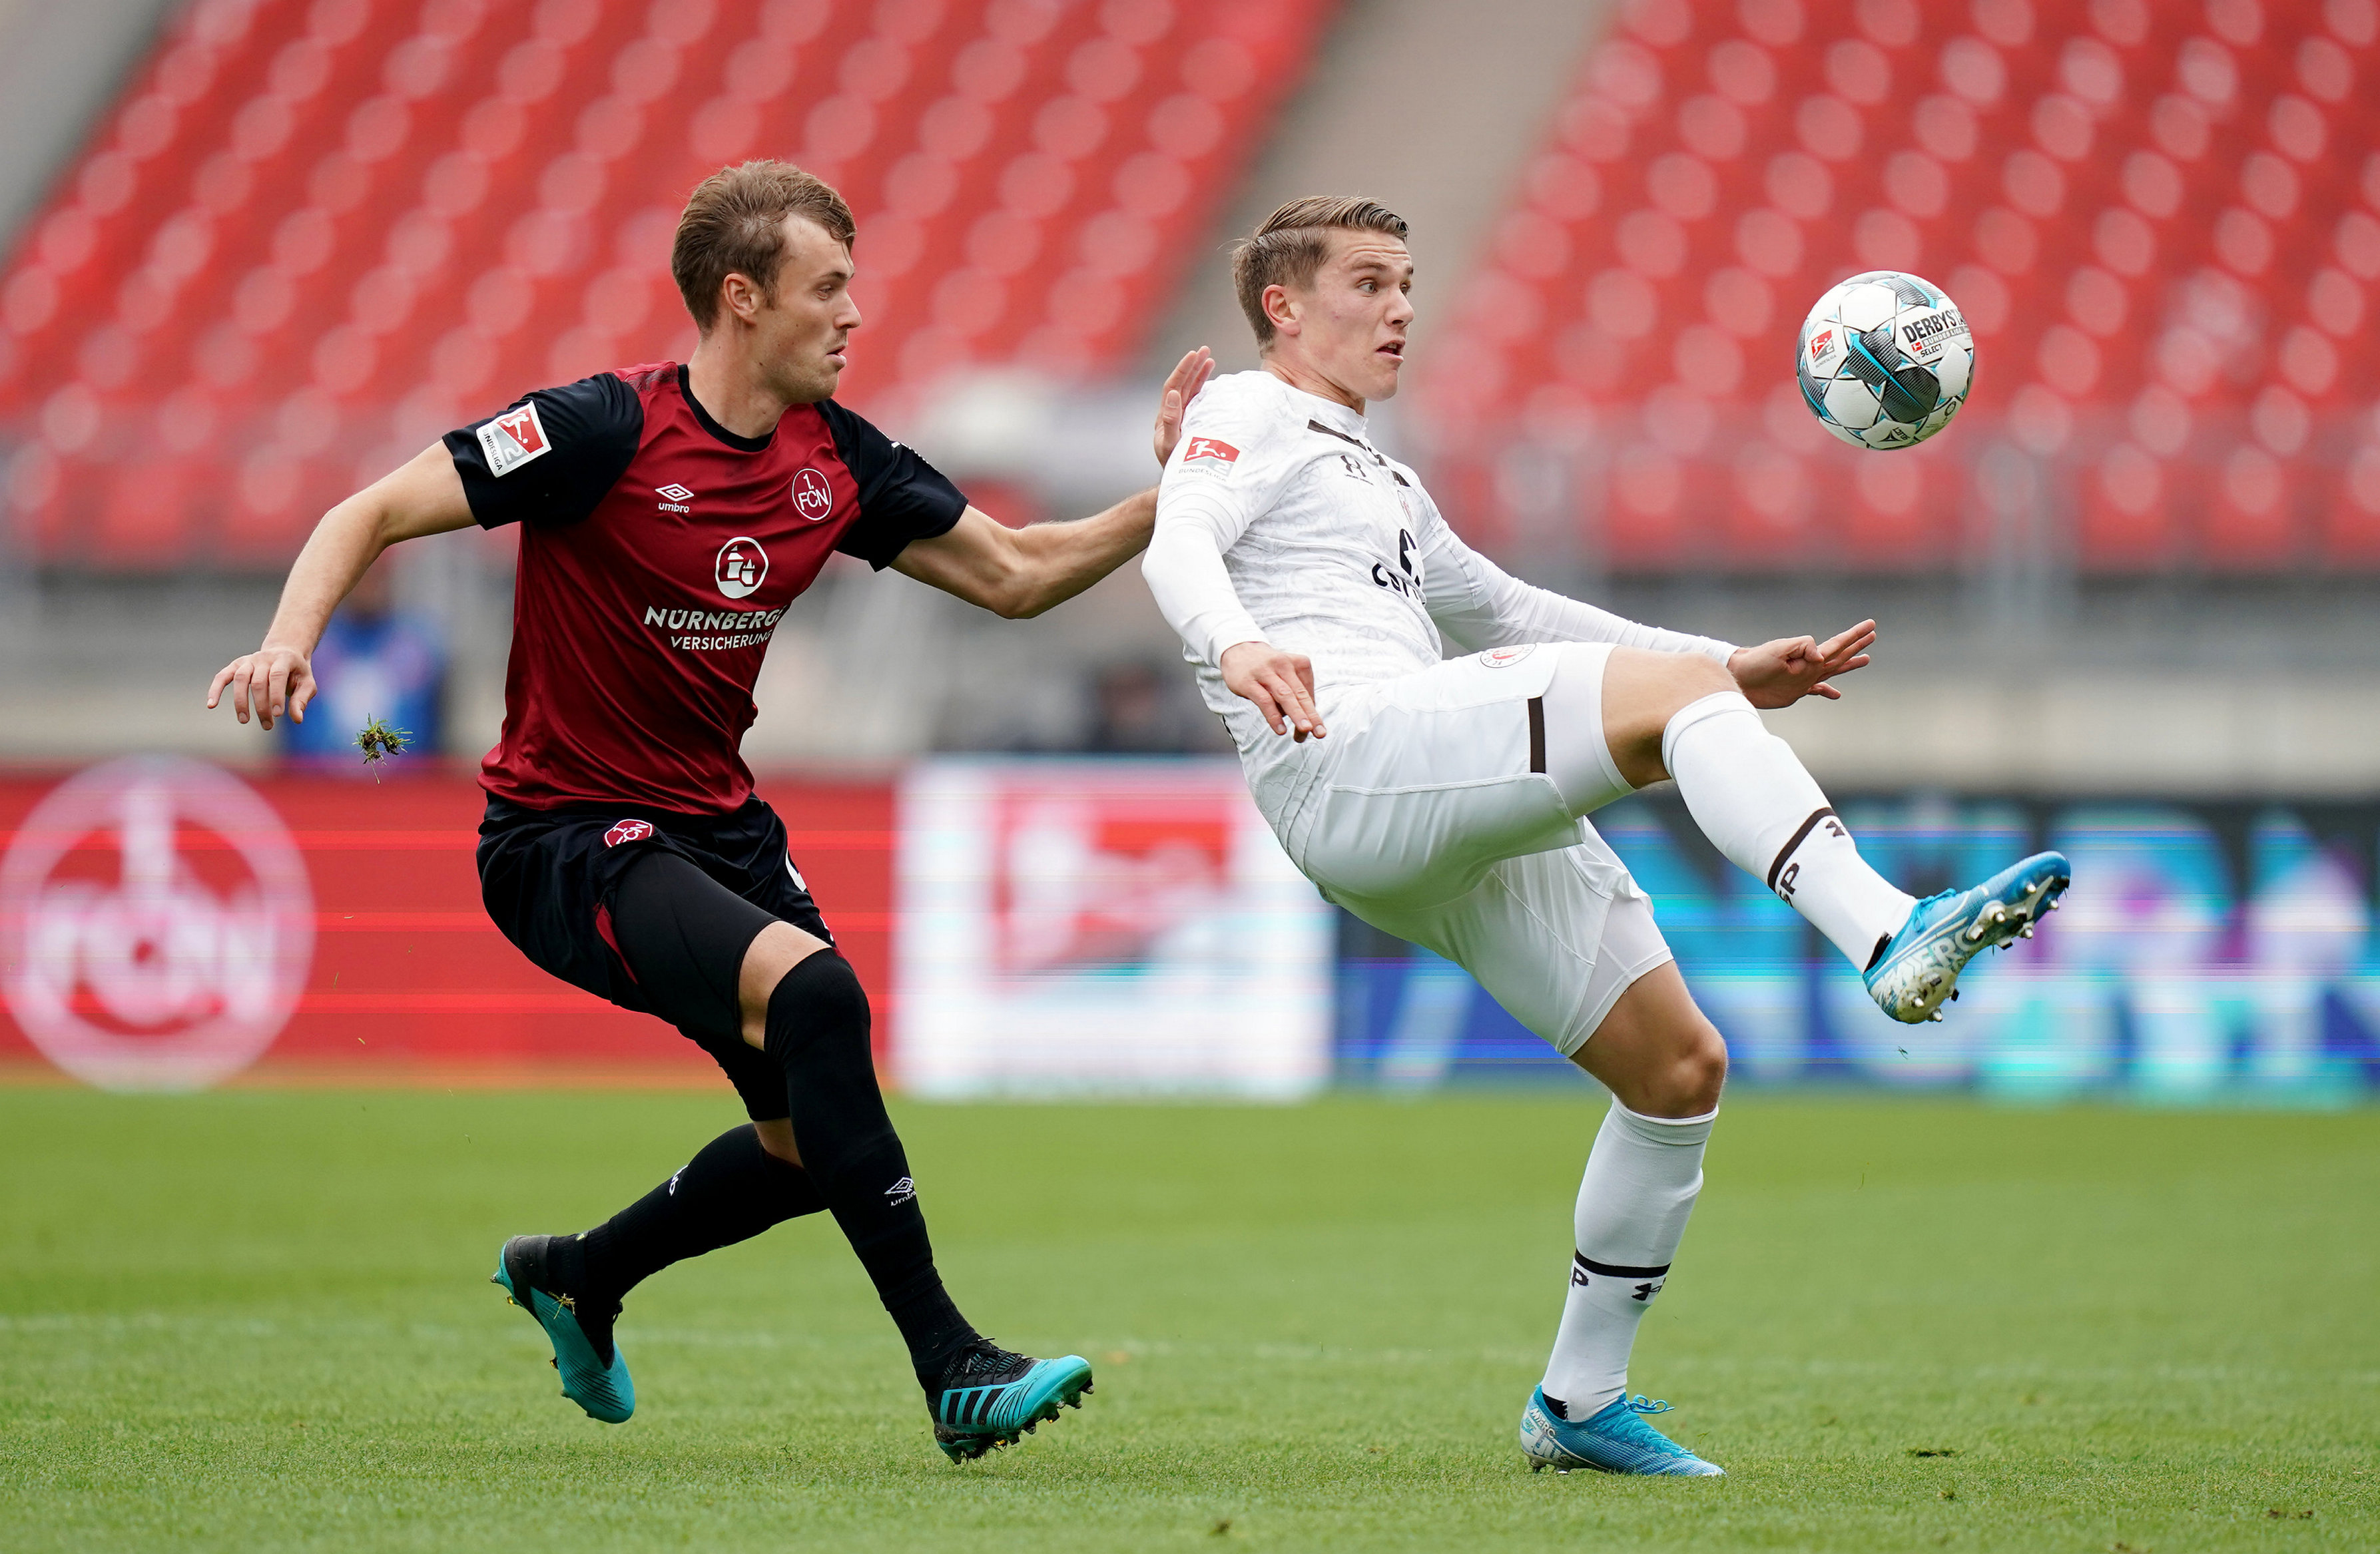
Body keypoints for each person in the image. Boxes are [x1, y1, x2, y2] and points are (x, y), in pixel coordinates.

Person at [208, 160, 1215, 1462]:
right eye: (828, 288)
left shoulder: (836, 459)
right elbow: (375, 508)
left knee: (806, 1148)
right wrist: (294, 640)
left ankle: (580, 1275)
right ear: (741, 299)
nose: (856, 315)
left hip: (717, 832)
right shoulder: (595, 430)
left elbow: (1016, 574)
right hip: (564, 836)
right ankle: (953, 1369)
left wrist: (1175, 497)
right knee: (820, 1001)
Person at [1140, 196, 2070, 1478]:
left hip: (1420, 801)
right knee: (1668, 713)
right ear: (1281, 311)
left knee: (1677, 1070)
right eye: (1366, 284)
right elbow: (1178, 540)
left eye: (1408, 281)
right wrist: (1235, 644)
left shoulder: (1381, 474)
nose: (1401, 306)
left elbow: (1512, 605)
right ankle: (1887, 930)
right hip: (1344, 754)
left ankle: (1577, 1400)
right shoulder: (1246, 410)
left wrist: (1727, 666)